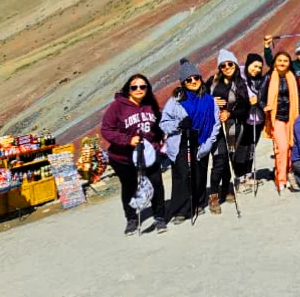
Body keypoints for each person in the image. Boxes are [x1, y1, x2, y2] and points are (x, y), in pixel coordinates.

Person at [100, 74, 166, 235]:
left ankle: (159, 217)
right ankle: (131, 219)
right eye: (134, 87)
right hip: (124, 157)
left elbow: (157, 126)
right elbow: (106, 130)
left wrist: (158, 142)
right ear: (128, 89)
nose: (138, 90)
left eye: (143, 87)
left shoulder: (150, 104)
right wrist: (127, 140)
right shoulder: (117, 106)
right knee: (129, 188)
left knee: (156, 184)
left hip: (148, 155)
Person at [159, 59, 220, 223]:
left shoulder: (210, 100)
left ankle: (198, 202)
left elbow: (216, 124)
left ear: (200, 79)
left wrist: (208, 143)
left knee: (199, 174)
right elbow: (163, 123)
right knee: (182, 175)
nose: (193, 82)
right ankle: (181, 210)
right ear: (183, 82)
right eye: (189, 80)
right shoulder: (175, 101)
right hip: (181, 142)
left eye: (196, 78)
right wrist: (179, 125)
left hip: (201, 141)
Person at [206, 49, 250, 214]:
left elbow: (245, 106)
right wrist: (211, 101)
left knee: (229, 158)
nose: (226, 67)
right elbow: (201, 98)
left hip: (233, 127)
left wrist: (230, 113)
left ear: (235, 64)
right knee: (219, 161)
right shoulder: (214, 83)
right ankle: (213, 195)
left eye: (229, 64)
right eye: (223, 65)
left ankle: (228, 189)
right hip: (216, 129)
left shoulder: (240, 83)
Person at [263, 50, 300, 193]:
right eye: (279, 60)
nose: (282, 63)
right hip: (277, 117)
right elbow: (261, 96)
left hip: (291, 117)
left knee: (291, 147)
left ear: (289, 63)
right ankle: (281, 178)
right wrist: (264, 106)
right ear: (275, 63)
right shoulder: (269, 77)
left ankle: (288, 173)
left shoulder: (292, 77)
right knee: (282, 148)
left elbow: (298, 98)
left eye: (285, 61)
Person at [239, 53, 268, 192]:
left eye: (259, 67)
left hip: (258, 120)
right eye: (254, 66)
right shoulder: (240, 78)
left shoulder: (260, 81)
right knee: (242, 149)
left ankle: (248, 175)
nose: (256, 70)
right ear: (248, 64)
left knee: (251, 148)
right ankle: (239, 179)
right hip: (244, 119)